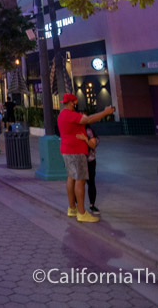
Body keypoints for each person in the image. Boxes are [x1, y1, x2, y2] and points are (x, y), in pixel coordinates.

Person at [58, 93, 114, 223]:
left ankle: (72, 208)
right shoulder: (71, 115)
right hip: (76, 150)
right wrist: (105, 112)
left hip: (66, 150)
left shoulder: (62, 115)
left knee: (71, 177)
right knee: (80, 180)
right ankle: (82, 212)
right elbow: (88, 120)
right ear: (72, 103)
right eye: (75, 103)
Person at [84, 125, 99, 213]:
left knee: (91, 182)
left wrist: (86, 140)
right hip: (80, 160)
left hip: (90, 160)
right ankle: (77, 205)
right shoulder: (76, 130)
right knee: (79, 183)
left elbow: (93, 144)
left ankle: (92, 205)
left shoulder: (88, 131)